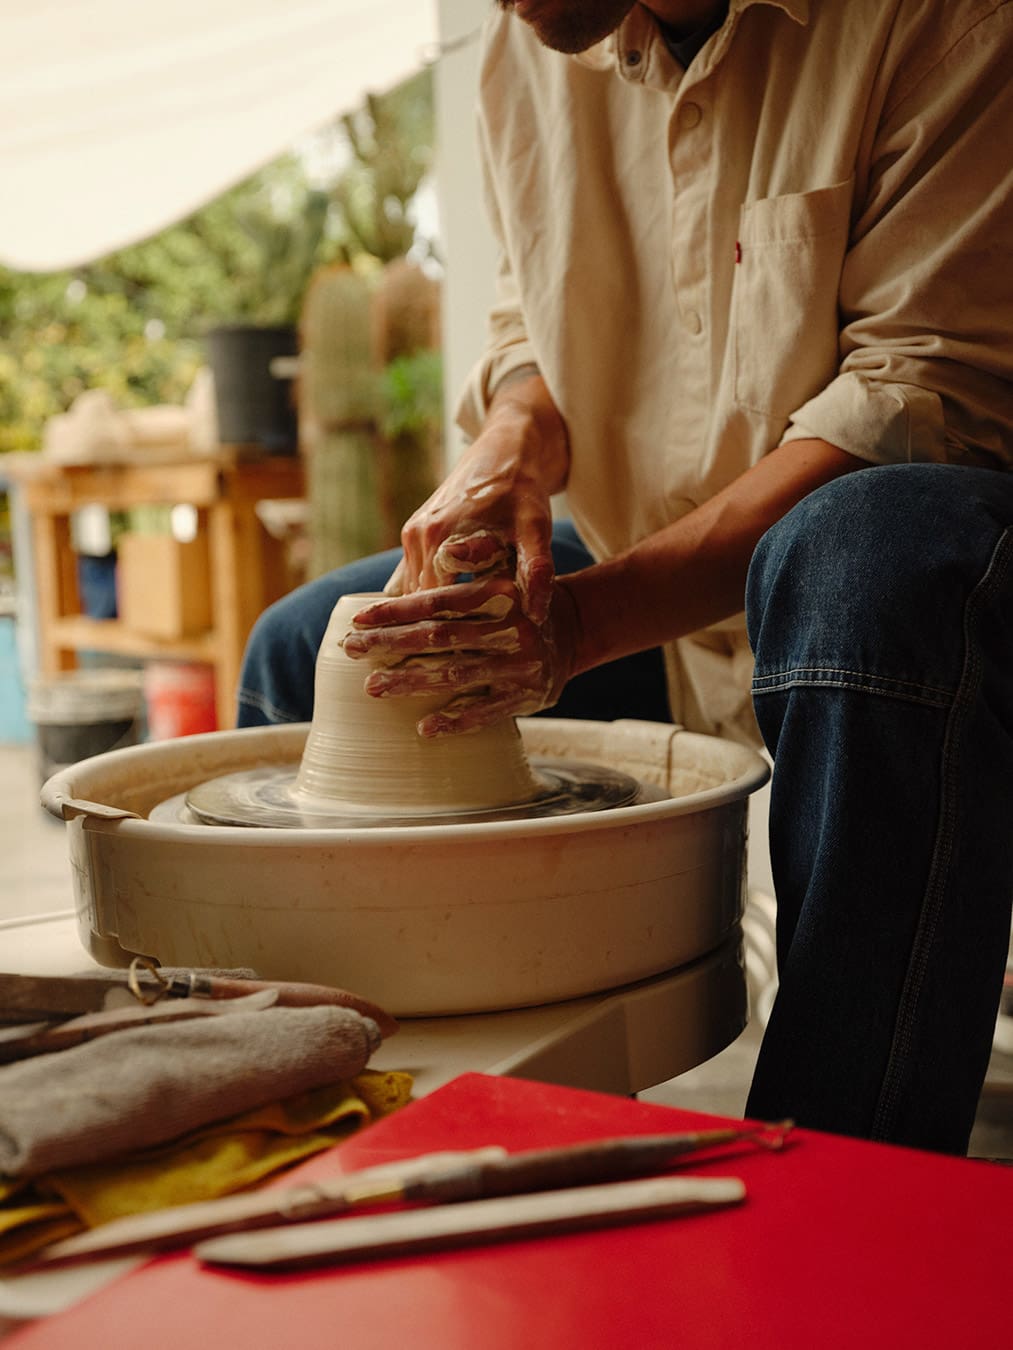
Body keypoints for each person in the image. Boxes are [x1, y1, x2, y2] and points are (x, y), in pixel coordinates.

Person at [239, 0, 1013, 1154]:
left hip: (909, 591)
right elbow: (530, 332)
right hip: (650, 578)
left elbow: (917, 405)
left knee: (863, 565)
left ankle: (837, 1181)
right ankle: (386, 1148)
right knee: (322, 646)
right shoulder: (524, 45)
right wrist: (509, 449)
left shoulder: (941, 20)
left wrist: (579, 623)